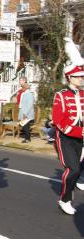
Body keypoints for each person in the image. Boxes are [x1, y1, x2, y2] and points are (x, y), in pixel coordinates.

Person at [52, 38, 84, 215]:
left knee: (76, 171)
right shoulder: (61, 95)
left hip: (79, 138)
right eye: (78, 76)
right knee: (73, 168)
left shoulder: (83, 94)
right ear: (69, 77)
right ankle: (64, 199)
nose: (81, 79)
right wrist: (80, 131)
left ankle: (67, 197)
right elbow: (59, 121)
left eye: (82, 76)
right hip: (65, 137)